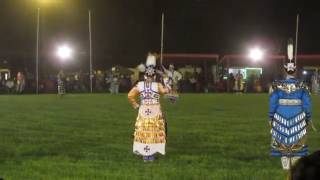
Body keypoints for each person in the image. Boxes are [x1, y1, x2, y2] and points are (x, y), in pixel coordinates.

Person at [269, 39, 312, 171]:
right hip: (298, 113)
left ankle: (286, 168)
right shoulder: (302, 85)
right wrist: (308, 117)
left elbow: (273, 102)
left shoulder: (276, 84)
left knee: (283, 140)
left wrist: (271, 116)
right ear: (295, 70)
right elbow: (307, 103)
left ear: (285, 70)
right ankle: (294, 167)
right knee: (297, 139)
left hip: (280, 113)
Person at [127, 54, 170, 162]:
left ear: (145, 76)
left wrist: (136, 105)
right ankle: (150, 154)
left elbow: (130, 95)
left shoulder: (140, 85)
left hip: (143, 111)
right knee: (154, 131)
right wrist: (167, 80)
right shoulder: (157, 85)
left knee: (143, 131)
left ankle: (145, 154)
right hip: (155, 111)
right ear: (154, 76)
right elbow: (166, 91)